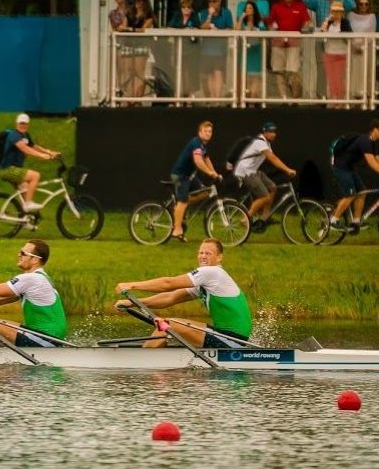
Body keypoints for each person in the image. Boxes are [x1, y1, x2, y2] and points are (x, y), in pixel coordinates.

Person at [114, 238, 252, 349]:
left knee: (166, 325)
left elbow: (168, 284)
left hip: (232, 339)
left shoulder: (213, 272)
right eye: (200, 253)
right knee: (166, 325)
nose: (203, 256)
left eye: (208, 253)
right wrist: (131, 303)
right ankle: (156, 364)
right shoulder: (207, 282)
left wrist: (132, 285)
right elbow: (170, 297)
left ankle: (143, 362)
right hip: (227, 336)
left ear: (219, 257)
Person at [329, 119, 379, 234]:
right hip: (340, 169)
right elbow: (371, 162)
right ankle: (333, 221)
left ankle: (355, 223)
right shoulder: (365, 141)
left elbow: (377, 159)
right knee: (350, 195)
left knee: (362, 192)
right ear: (375, 130)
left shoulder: (370, 142)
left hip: (349, 169)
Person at [231, 122, 297, 230]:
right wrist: (287, 170)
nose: (273, 134)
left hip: (252, 170)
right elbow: (273, 159)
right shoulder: (260, 143)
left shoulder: (266, 143)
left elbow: (272, 158)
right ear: (264, 132)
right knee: (265, 197)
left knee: (273, 187)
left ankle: (265, 216)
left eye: (274, 132)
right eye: (270, 132)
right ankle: (245, 218)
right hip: (245, 172)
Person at [169, 121, 222, 242]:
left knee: (204, 192)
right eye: (205, 131)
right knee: (182, 200)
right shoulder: (196, 143)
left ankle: (179, 210)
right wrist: (210, 173)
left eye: (210, 131)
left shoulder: (203, 146)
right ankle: (177, 229)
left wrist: (215, 173)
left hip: (190, 176)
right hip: (180, 175)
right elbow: (198, 161)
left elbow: (207, 160)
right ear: (199, 132)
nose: (208, 134)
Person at [0, 113, 60, 212]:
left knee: (26, 190)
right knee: (35, 176)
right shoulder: (14, 135)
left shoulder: (25, 135)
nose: (23, 125)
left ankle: (25, 218)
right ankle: (28, 204)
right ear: (16, 124)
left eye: (25, 123)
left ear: (28, 124)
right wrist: (41, 156)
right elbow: (24, 148)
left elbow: (33, 146)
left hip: (16, 169)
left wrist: (49, 152)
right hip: (8, 169)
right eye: (21, 123)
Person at [268, 0, 312, 100]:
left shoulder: (300, 6)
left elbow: (308, 21)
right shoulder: (276, 7)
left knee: (294, 71)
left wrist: (306, 27)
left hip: (294, 44)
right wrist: (272, 33)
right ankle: (284, 99)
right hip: (278, 43)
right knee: (279, 72)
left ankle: (294, 99)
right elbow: (270, 23)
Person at [198, 0, 233, 100]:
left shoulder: (226, 13)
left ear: (219, 2)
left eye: (214, 1)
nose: (211, 4)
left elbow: (230, 28)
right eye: (209, 1)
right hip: (205, 49)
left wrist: (219, 31)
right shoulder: (204, 13)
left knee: (218, 73)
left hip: (220, 49)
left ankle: (216, 100)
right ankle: (209, 100)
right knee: (206, 76)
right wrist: (209, 15)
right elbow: (202, 27)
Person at [167, 0, 201, 98]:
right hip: (179, 48)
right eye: (184, 7)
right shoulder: (177, 15)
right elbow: (170, 26)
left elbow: (197, 27)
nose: (186, 9)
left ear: (192, 8)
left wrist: (185, 29)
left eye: (188, 7)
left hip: (192, 49)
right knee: (179, 71)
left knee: (190, 72)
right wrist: (184, 29)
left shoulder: (195, 16)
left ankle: (190, 94)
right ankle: (179, 93)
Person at [320, 1, 352, 105]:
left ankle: (340, 101)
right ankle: (333, 100)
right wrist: (327, 20)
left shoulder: (345, 22)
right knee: (331, 79)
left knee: (339, 79)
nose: (336, 14)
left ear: (342, 13)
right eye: (334, 11)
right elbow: (322, 31)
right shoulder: (328, 22)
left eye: (339, 12)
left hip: (341, 53)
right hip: (329, 53)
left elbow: (349, 36)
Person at [236, 1, 267, 100]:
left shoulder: (260, 22)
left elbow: (264, 34)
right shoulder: (243, 23)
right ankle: (243, 99)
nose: (248, 10)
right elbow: (236, 30)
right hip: (245, 52)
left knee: (255, 77)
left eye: (250, 8)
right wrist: (241, 17)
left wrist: (254, 28)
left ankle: (253, 99)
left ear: (254, 10)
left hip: (256, 52)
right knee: (244, 77)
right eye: (247, 8)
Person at [347, 0, 376, 98]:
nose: (363, 6)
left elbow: (372, 33)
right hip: (352, 47)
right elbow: (348, 31)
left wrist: (363, 46)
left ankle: (365, 96)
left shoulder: (372, 17)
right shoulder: (350, 15)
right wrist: (354, 45)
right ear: (357, 4)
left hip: (366, 48)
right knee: (353, 72)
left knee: (365, 72)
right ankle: (352, 97)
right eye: (361, 4)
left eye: (366, 4)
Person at [109, 0, 130, 97]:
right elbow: (114, 28)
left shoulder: (130, 10)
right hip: (120, 42)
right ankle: (122, 92)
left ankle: (131, 94)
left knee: (130, 69)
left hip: (132, 42)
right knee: (121, 69)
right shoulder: (113, 13)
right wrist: (120, 28)